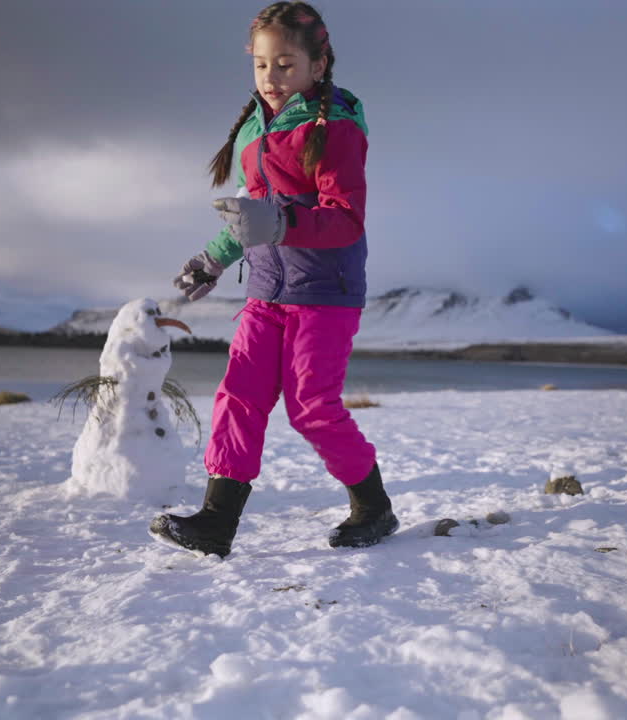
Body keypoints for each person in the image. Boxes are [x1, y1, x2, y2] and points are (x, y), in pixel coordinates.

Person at [150, 1, 397, 558]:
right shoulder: (252, 133)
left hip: (324, 294)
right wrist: (211, 258)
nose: (272, 77)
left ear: (319, 63)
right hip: (265, 290)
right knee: (239, 394)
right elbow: (249, 217)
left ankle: (374, 506)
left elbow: (344, 218)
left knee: (311, 406)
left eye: (286, 64)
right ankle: (216, 521)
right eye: (262, 65)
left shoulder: (333, 129)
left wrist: (282, 221)